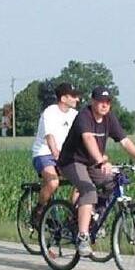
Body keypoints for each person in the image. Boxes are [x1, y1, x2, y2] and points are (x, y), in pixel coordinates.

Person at [57, 86, 135, 257]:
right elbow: (88, 138)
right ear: (93, 101)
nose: (104, 105)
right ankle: (82, 237)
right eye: (101, 101)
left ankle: (94, 218)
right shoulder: (84, 116)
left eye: (108, 102)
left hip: (92, 162)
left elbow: (124, 141)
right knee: (88, 190)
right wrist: (101, 160)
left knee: (114, 183)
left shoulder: (110, 119)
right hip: (72, 161)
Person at [30, 82, 81, 225]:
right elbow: (50, 136)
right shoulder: (50, 112)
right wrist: (56, 154)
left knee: (83, 182)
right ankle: (39, 210)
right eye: (73, 96)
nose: (77, 99)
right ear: (63, 98)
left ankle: (72, 214)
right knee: (53, 182)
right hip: (44, 153)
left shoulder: (75, 115)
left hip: (64, 155)